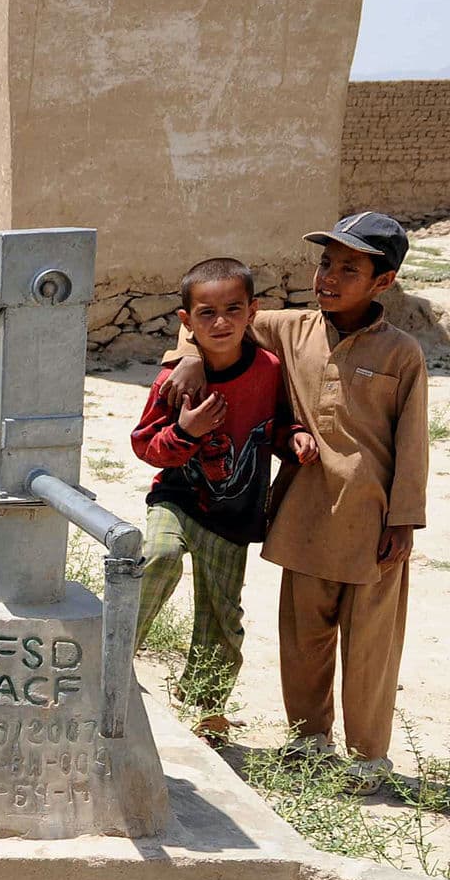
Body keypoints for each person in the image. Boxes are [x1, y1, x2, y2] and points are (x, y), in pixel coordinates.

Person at [161, 213, 427, 794]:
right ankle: (309, 741)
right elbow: (215, 321)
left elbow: (413, 438)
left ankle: (368, 758)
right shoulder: (290, 329)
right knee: (304, 637)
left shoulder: (402, 353)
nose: (328, 277)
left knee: (371, 646)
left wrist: (405, 518)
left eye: (348, 269)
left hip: (373, 520)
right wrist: (187, 358)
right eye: (325, 263)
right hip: (305, 511)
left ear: (383, 282)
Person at [131, 258, 316, 745]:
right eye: (206, 313)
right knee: (157, 557)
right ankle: (111, 662)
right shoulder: (178, 381)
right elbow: (144, 444)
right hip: (176, 498)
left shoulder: (269, 369)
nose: (221, 322)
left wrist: (292, 437)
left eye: (233, 309)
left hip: (234, 517)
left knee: (221, 615)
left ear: (253, 311)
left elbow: (277, 422)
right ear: (186, 322)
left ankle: (207, 710)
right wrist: (185, 432)